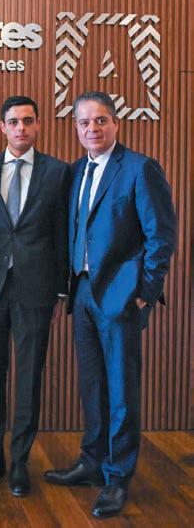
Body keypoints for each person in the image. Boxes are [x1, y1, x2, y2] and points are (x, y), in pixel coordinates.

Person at [44, 91, 176, 518]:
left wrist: (145, 292)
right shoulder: (75, 171)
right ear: (76, 128)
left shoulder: (139, 168)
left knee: (121, 390)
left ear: (116, 123)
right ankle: (92, 462)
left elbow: (161, 236)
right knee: (92, 385)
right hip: (82, 292)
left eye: (100, 120)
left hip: (121, 297)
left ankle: (118, 477)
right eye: (84, 122)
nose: (92, 129)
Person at [0, 96, 70, 497]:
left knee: (28, 378)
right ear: (2, 127)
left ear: (38, 125)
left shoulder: (57, 171)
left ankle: (20, 462)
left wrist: (61, 289)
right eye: (14, 121)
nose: (21, 128)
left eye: (28, 121)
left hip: (36, 289)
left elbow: (62, 231)